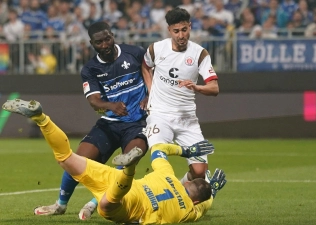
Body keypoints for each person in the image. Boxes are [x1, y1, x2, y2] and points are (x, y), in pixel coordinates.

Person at [2, 99, 227, 224]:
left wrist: (186, 150)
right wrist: (213, 192)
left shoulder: (167, 175)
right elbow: (203, 208)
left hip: (114, 180)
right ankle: (128, 168)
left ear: (186, 183)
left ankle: (42, 119)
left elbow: (159, 148)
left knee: (67, 158)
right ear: (195, 202)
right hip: (127, 205)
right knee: (106, 205)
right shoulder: (186, 211)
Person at [33, 21, 148, 220]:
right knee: (75, 161)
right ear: (91, 44)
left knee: (128, 161)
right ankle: (60, 205)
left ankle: (95, 202)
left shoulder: (135, 52)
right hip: (109, 122)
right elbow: (94, 100)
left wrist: (150, 95)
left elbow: (151, 74)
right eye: (99, 42)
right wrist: (112, 106)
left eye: (107, 39)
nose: (105, 44)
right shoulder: (90, 69)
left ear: (113, 36)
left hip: (138, 123)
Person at [141, 7, 219, 188]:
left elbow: (214, 88)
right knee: (160, 161)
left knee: (199, 172)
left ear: (190, 27)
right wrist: (151, 91)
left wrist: (197, 87)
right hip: (160, 114)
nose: (181, 35)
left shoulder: (200, 53)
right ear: (169, 31)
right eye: (176, 31)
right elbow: (145, 66)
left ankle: (179, 188)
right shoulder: (156, 49)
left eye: (184, 30)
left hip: (187, 118)